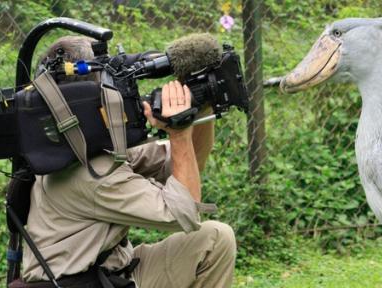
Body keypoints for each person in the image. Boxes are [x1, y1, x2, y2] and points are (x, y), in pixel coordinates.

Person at [20, 36, 236, 288]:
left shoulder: (78, 148)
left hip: (111, 271)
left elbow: (184, 161)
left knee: (215, 240)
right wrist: (179, 133)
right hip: (83, 283)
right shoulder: (92, 174)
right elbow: (184, 214)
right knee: (210, 235)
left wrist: (200, 104)